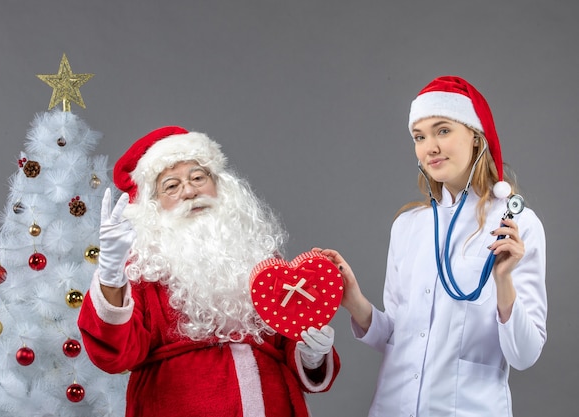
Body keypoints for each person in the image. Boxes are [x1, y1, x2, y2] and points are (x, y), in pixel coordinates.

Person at [314, 76, 547, 416]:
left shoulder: (518, 226)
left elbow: (524, 355)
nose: (430, 147)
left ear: (476, 136)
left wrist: (503, 282)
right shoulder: (409, 227)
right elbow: (398, 340)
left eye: (442, 130)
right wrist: (355, 301)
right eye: (419, 137)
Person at [77, 125, 340, 417]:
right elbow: (114, 355)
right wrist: (111, 274)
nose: (189, 191)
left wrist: (311, 354)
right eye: (172, 186)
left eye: (198, 178)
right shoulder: (143, 269)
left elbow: (290, 342)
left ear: (219, 185)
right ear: (153, 206)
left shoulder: (258, 256)